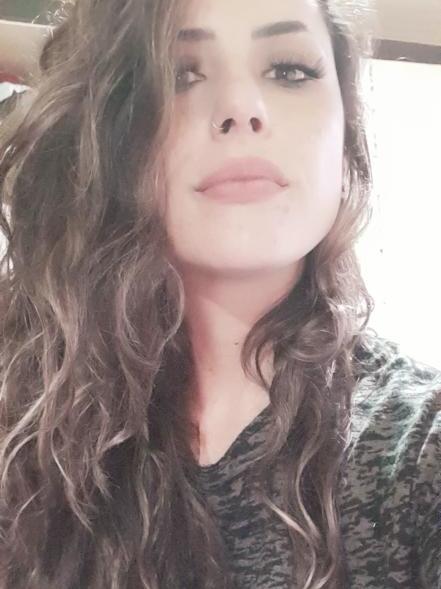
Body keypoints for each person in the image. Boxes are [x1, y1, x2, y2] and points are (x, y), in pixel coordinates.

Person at [0, 1, 439, 588]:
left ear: (345, 132)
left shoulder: (420, 450)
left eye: (288, 70)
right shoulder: (19, 422)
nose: (241, 107)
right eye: (179, 74)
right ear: (106, 132)